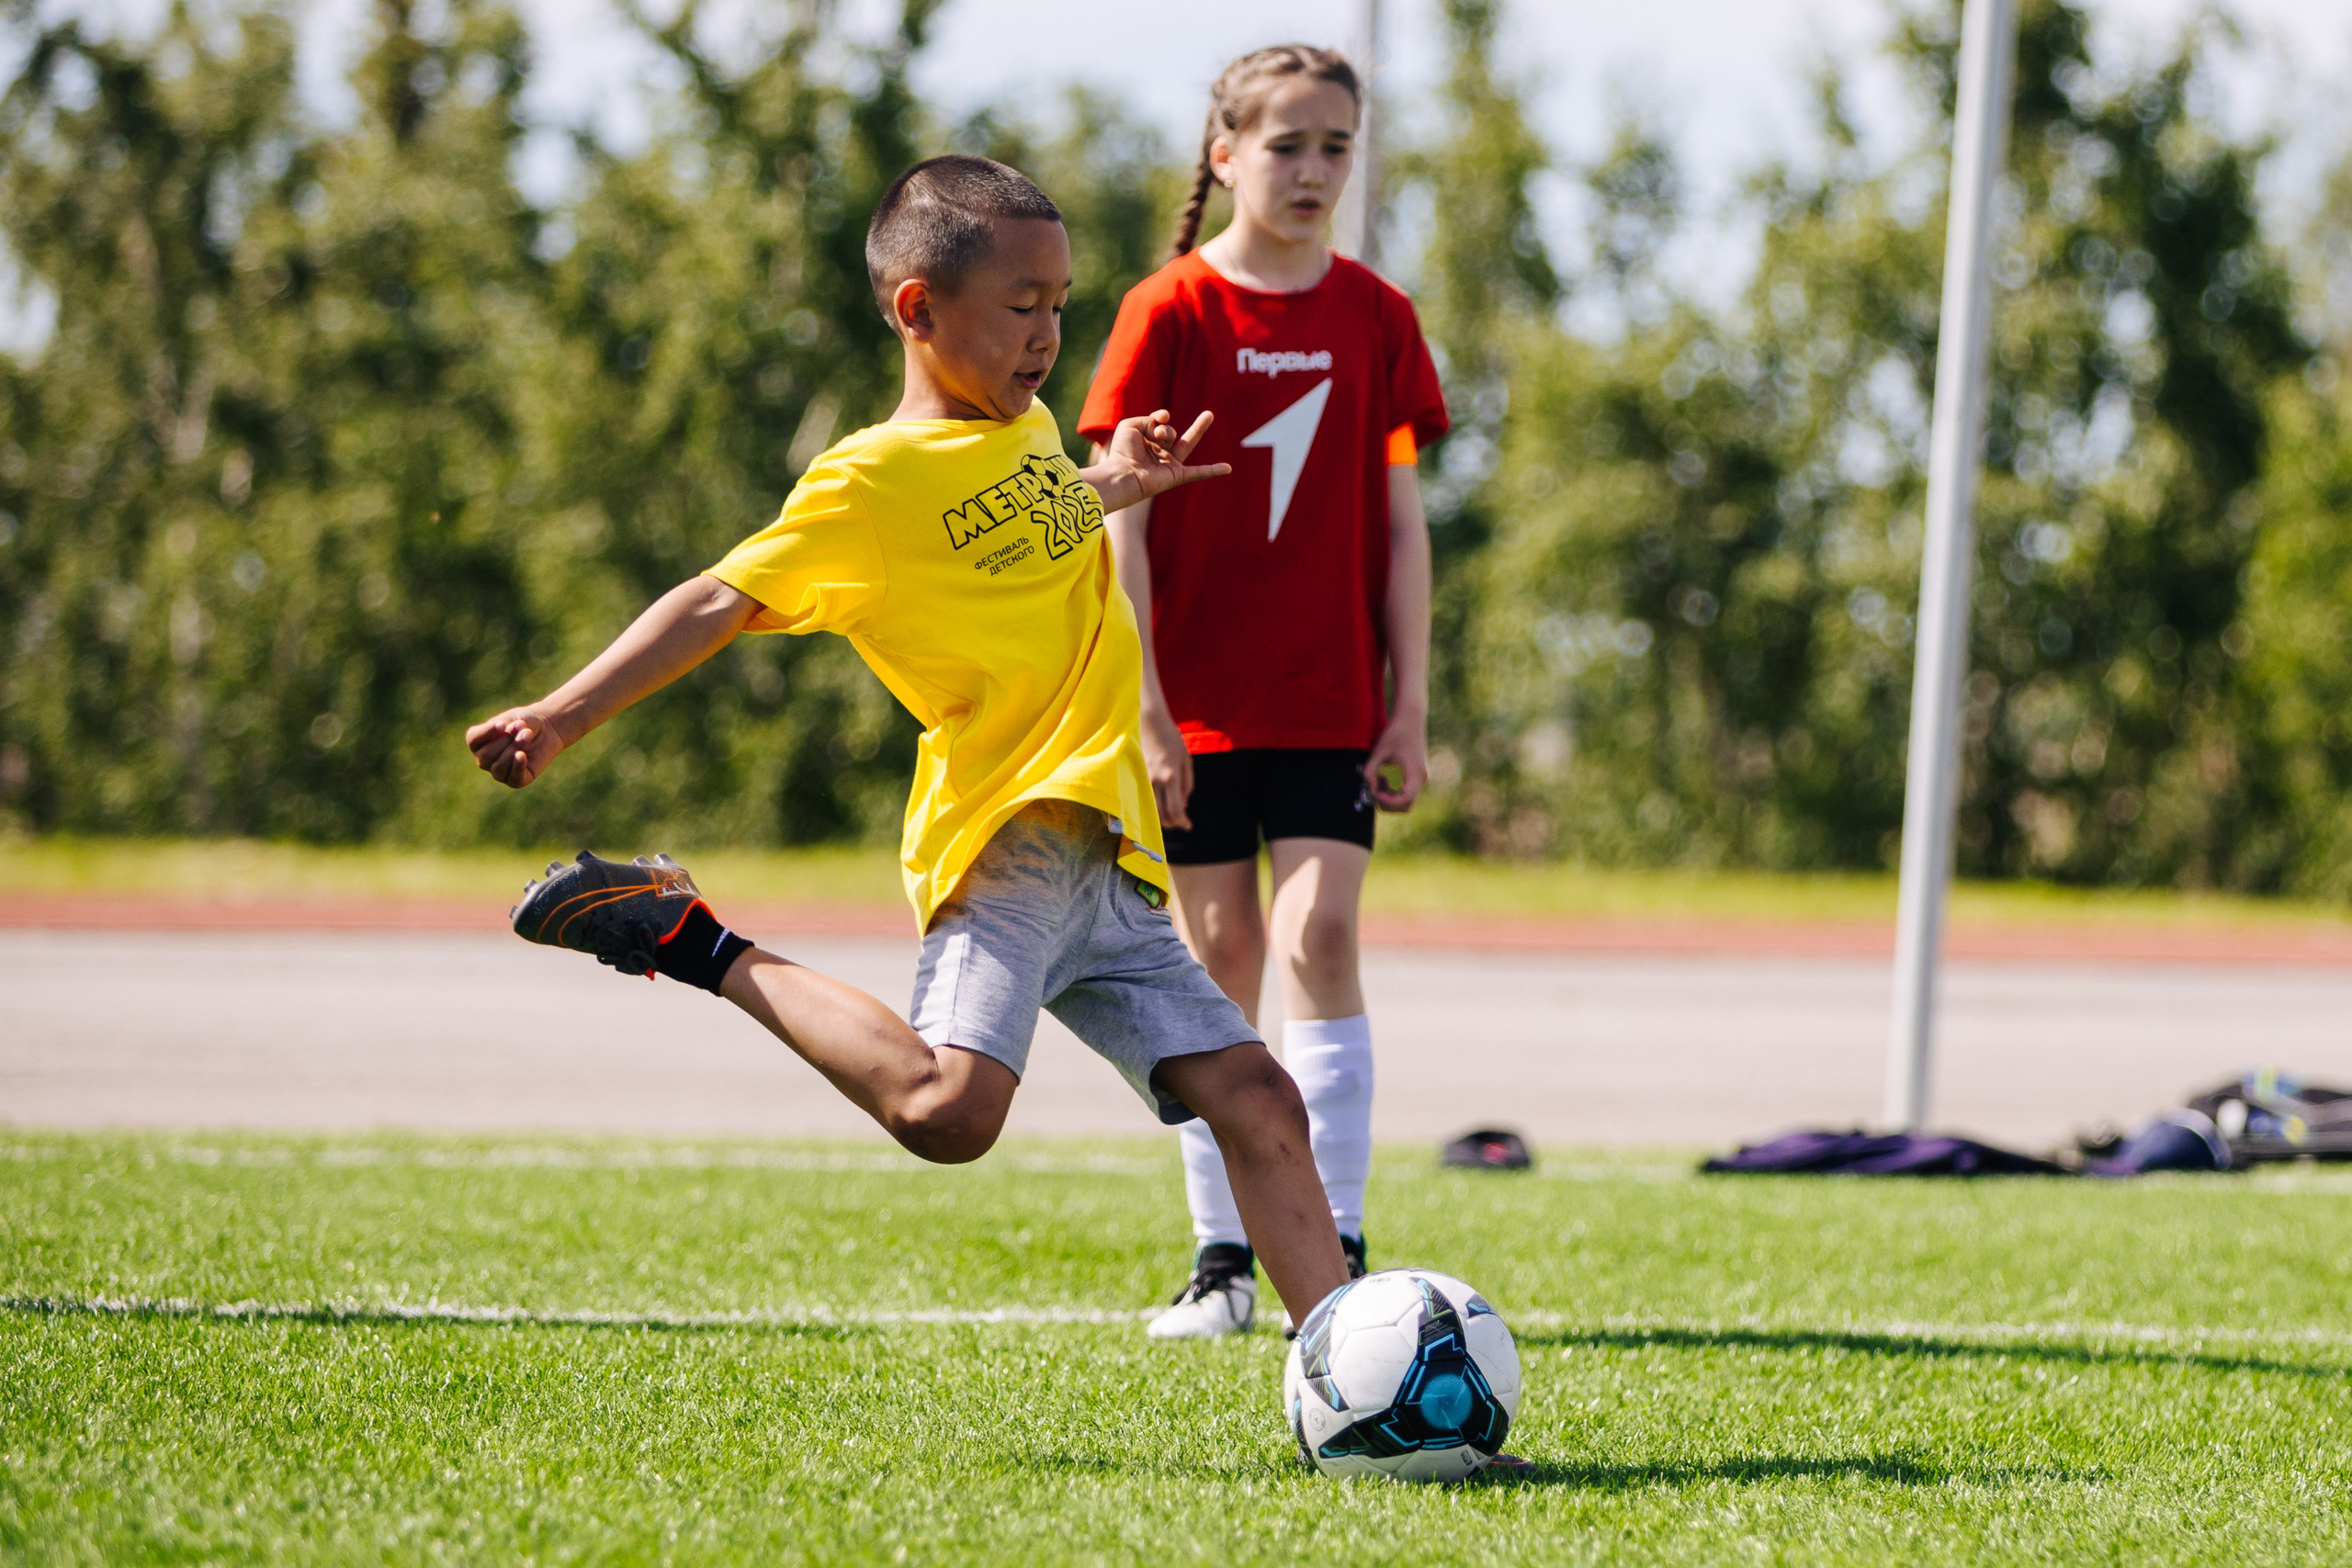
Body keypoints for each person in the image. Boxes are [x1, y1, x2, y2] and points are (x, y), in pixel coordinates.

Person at [463, 154, 1352, 1332]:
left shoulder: (1027, 426)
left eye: (1060, 305)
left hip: (1115, 861)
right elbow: (717, 598)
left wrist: (1113, 484)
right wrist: (560, 713)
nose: (1046, 337)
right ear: (918, 312)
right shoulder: (864, 485)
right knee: (946, 1113)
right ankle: (690, 936)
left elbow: (1012, 535)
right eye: (1020, 306)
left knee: (1260, 1100)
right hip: (1008, 838)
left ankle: (1361, 1395)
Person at [1079, 45, 1449, 1339]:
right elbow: (1115, 526)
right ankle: (1223, 1259)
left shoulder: (1376, 316)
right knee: (1216, 964)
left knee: (1320, 938)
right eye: (1287, 144)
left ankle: (1334, 1243)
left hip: (1332, 701)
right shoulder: (1165, 311)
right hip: (1193, 706)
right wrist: (1145, 702)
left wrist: (1408, 703)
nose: (1313, 171)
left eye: (1336, 146)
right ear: (1225, 153)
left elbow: (1401, 527)